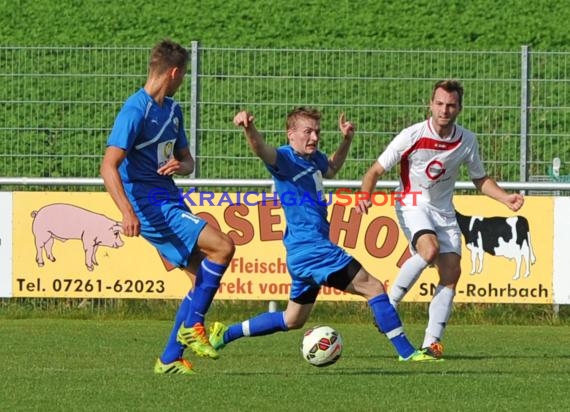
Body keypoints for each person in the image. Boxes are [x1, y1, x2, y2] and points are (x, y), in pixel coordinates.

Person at [207, 107, 439, 362]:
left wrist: (346, 140)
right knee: (373, 288)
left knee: (292, 319)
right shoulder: (285, 159)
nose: (314, 138)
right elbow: (262, 150)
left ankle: (224, 334)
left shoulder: (313, 158)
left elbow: (331, 169)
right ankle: (407, 353)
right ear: (291, 135)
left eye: (317, 132)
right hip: (314, 250)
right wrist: (249, 128)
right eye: (307, 132)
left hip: (301, 254)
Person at [356, 79, 524, 358]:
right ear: (430, 104)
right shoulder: (412, 135)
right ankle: (389, 304)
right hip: (411, 202)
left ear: (459, 108)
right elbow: (374, 170)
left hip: (444, 210)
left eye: (451, 105)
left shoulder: (467, 140)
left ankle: (431, 343)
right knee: (429, 249)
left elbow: (479, 179)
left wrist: (505, 198)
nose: (444, 109)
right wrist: (364, 195)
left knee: (451, 274)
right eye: (440, 103)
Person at [100, 39, 235, 375]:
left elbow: (188, 161)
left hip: (169, 196)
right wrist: (127, 212)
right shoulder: (135, 111)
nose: (183, 79)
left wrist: (180, 165)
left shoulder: (172, 111)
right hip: (149, 205)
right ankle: (195, 327)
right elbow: (108, 166)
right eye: (183, 74)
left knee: (199, 279)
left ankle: (170, 358)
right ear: (174, 73)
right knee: (224, 247)